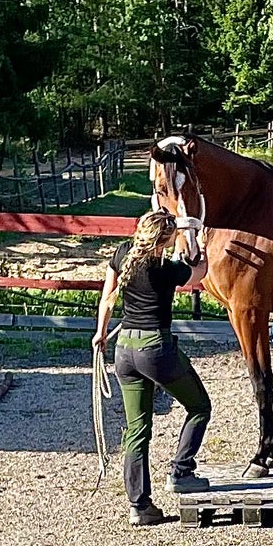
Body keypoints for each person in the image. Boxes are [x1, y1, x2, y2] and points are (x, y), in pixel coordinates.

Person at [93, 208, 212, 526]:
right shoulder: (166, 267)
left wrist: (101, 333)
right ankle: (181, 471)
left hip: (124, 352)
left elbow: (107, 299)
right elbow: (199, 273)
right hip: (155, 349)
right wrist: (203, 244)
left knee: (137, 431)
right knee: (200, 406)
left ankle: (139, 506)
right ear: (166, 238)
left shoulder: (121, 254)